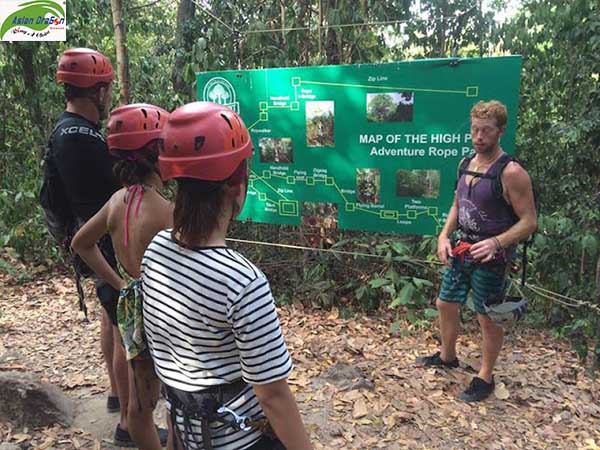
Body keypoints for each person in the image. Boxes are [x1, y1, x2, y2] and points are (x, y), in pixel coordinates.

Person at [142, 101, 313, 450]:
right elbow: (273, 396)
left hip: (187, 432)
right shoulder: (242, 281)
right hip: (240, 440)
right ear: (237, 185)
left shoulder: (156, 251)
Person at [417, 100, 537, 402]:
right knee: (445, 302)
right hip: (462, 248)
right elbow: (458, 205)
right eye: (474, 130)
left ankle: (485, 375)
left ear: (501, 131)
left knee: (487, 316)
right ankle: (447, 356)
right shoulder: (466, 164)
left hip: (491, 257)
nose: (479, 136)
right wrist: (444, 236)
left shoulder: (511, 173)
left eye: (486, 130)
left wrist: (497, 242)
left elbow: (530, 221)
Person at [71, 103, 172, 448]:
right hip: (165, 315)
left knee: (139, 408)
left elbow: (81, 243)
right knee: (175, 400)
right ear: (155, 154)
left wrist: (121, 283)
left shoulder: (117, 201)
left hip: (133, 308)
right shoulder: (165, 211)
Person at [49, 47, 128, 426]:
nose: (109, 94)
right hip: (103, 243)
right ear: (95, 91)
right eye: (106, 88)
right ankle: (130, 422)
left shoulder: (64, 131)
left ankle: (116, 394)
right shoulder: (85, 139)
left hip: (86, 241)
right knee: (125, 324)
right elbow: (111, 193)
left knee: (109, 316)